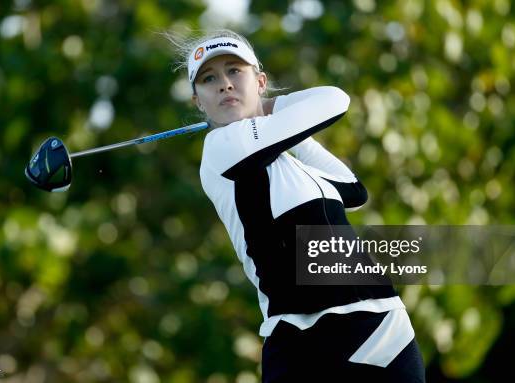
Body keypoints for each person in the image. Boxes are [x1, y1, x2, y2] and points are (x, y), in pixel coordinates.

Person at [169, 29, 426, 382]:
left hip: (378, 331)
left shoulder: (293, 166)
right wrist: (266, 109)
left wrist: (266, 110)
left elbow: (352, 190)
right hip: (298, 343)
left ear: (260, 81)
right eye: (209, 79)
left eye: (235, 71)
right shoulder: (221, 148)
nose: (224, 85)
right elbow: (333, 101)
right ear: (198, 102)